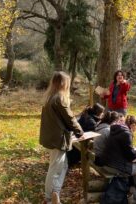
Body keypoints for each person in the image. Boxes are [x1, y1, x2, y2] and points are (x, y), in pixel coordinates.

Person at [39, 71, 84, 204]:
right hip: (57, 138)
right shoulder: (59, 98)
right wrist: (80, 133)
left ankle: (55, 193)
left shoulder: (50, 97)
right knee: (55, 167)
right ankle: (49, 197)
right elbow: (70, 118)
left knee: (63, 166)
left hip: (51, 137)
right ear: (64, 83)